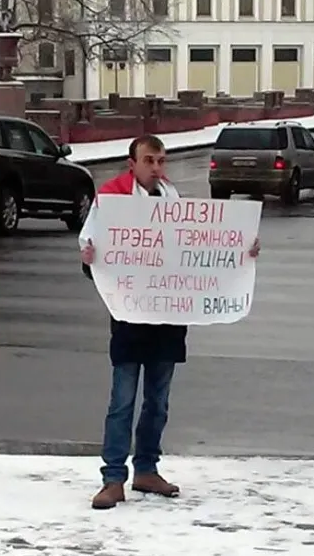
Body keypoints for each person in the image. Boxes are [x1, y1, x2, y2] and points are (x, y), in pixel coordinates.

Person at [79, 134, 260, 510]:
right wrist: (91, 257)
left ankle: (146, 469)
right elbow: (95, 261)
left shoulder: (172, 200)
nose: (157, 168)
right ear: (133, 163)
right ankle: (113, 479)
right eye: (149, 160)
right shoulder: (112, 199)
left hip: (169, 317)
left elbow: (201, 248)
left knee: (158, 402)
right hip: (130, 319)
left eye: (161, 161)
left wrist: (243, 250)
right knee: (122, 403)